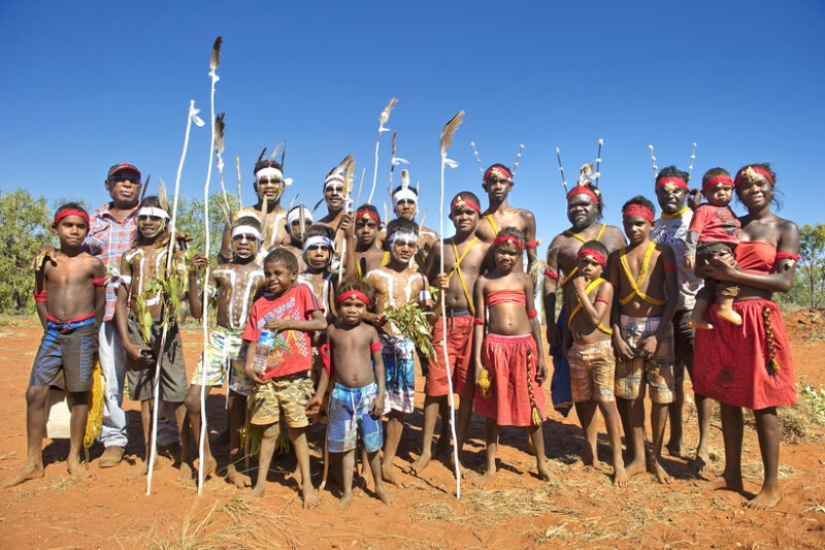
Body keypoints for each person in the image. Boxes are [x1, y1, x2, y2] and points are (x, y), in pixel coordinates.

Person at [694, 163, 799, 510]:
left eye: (760, 183)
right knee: (727, 396)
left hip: (759, 318)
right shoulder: (730, 225)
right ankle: (732, 474)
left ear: (772, 186)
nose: (753, 189)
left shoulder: (785, 228)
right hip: (723, 317)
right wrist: (710, 268)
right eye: (746, 185)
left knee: (764, 402)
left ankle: (771, 486)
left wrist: (735, 272)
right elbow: (704, 263)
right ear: (736, 193)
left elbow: (783, 283)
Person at [4, 204, 106, 488]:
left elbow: (100, 302)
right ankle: (33, 462)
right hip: (52, 333)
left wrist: (93, 334)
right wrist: (47, 327)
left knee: (79, 393)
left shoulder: (93, 263)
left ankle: (75, 457)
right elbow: (40, 295)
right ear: (55, 228)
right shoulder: (45, 262)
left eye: (80, 226)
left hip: (83, 333)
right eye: (68, 225)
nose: (74, 230)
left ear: (87, 230)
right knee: (35, 392)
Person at [406, 192, 489, 477]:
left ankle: (457, 449)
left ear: (478, 216)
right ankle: (426, 450)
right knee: (435, 387)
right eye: (458, 212)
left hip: (471, 322)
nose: (463, 217)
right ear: (452, 216)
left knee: (465, 389)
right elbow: (424, 282)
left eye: (469, 212)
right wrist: (434, 285)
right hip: (443, 320)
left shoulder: (485, 249)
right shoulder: (441, 247)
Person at [182, 216, 265, 486]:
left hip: (247, 342)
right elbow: (197, 312)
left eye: (250, 238)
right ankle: (205, 456)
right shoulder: (218, 271)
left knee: (237, 405)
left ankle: (234, 463)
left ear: (258, 242)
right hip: (219, 338)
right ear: (231, 240)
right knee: (193, 401)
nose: (243, 242)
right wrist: (194, 276)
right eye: (238, 237)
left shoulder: (263, 274)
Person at [242, 248, 327, 506]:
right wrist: (249, 366)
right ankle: (259, 485)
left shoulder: (301, 293)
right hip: (267, 378)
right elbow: (253, 342)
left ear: (293, 274)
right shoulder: (260, 305)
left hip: (295, 379)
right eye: (267, 274)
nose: (271, 278)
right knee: (268, 433)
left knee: (298, 433)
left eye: (277, 273)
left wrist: (288, 324)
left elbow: (320, 324)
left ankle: (307, 487)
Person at [115, 196, 189, 478]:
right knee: (146, 395)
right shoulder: (129, 257)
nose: (148, 222)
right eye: (143, 217)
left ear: (165, 222)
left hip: (167, 329)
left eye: (155, 218)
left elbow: (183, 295)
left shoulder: (173, 255)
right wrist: (125, 341)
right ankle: (150, 458)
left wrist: (177, 281)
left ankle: (185, 456)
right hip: (137, 328)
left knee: (178, 393)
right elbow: (122, 299)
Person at [473, 227, 551, 485]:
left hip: (524, 348)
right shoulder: (484, 282)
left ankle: (541, 462)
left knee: (533, 406)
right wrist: (477, 361)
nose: (506, 257)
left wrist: (540, 355)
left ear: (520, 255)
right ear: (494, 251)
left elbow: (533, 316)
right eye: (502, 252)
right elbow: (479, 323)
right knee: (492, 408)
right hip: (494, 348)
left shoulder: (524, 281)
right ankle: (490, 464)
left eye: (512, 253)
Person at [608, 196, 678, 484]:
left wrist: (657, 336)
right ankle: (637, 456)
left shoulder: (664, 253)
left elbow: (673, 297)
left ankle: (656, 457)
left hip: (658, 328)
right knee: (631, 394)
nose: (633, 228)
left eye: (639, 223)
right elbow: (612, 300)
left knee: (661, 397)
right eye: (628, 224)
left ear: (651, 223)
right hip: (626, 327)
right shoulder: (617, 257)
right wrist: (615, 334)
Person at [543, 177, 624, 420]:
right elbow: (549, 283)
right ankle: (590, 449)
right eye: (572, 206)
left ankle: (625, 446)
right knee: (579, 385)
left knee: (613, 385)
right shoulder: (559, 241)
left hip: (608, 315)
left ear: (597, 207)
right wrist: (550, 324)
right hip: (572, 318)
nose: (577, 209)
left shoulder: (614, 235)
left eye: (584, 205)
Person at [307, 280, 391, 508]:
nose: (353, 310)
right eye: (347, 305)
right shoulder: (333, 331)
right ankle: (347, 492)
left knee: (373, 445)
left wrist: (381, 395)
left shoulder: (370, 332)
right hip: (341, 396)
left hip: (368, 394)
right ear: (337, 307)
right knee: (346, 446)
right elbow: (327, 367)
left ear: (366, 309)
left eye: (358, 305)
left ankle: (379, 486)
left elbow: (379, 365)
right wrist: (319, 395)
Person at [650, 166, 711, 468]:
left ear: (687, 192)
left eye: (676, 190)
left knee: (701, 380)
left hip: (694, 310)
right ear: (656, 192)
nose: (670, 195)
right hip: (664, 314)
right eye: (664, 190)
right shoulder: (653, 227)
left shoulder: (697, 221)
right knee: (670, 379)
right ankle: (676, 437)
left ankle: (704, 444)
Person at [83, 163, 143, 468]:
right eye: (120, 180)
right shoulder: (93, 220)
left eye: (133, 180)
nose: (127, 184)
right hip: (106, 309)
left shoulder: (151, 216)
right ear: (109, 185)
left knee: (151, 374)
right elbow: (77, 253)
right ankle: (115, 439)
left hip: (145, 313)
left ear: (140, 187)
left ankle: (164, 435)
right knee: (111, 378)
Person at [365, 218, 431, 485]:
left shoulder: (420, 279)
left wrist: (442, 295)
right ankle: (367, 460)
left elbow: (429, 316)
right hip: (377, 346)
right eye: (400, 243)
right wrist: (373, 319)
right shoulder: (373, 276)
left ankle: (388, 463)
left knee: (400, 409)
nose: (405, 248)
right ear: (390, 244)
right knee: (372, 405)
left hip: (405, 347)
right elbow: (359, 310)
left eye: (410, 245)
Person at [561, 240, 627, 487]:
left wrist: (580, 291)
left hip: (601, 352)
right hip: (577, 352)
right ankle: (590, 455)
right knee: (584, 403)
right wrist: (567, 348)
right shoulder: (571, 289)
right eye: (583, 262)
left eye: (594, 263)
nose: (588, 266)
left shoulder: (605, 287)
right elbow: (570, 319)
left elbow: (597, 316)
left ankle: (618, 462)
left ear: (602, 267)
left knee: (606, 403)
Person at [686, 168, 743, 329]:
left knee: (710, 285)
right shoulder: (703, 209)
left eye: (726, 189)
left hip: (720, 248)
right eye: (715, 190)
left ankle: (696, 316)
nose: (721, 193)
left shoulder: (730, 211)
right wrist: (690, 252)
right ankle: (725, 307)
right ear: (705, 194)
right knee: (733, 273)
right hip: (711, 246)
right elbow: (694, 231)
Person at [220, 154, 289, 262]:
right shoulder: (238, 217)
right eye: (263, 182)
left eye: (275, 182)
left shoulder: (292, 221)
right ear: (255, 186)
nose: (269, 186)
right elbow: (224, 257)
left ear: (283, 186)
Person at [475, 164, 539, 273]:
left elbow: (532, 260)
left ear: (510, 186)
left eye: (502, 182)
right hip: (487, 286)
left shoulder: (524, 217)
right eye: (493, 182)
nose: (498, 186)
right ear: (485, 187)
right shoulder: (478, 221)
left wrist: (530, 286)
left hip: (517, 287)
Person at [376, 171, 439, 270]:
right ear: (394, 208)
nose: (406, 206)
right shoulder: (383, 234)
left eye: (410, 202)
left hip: (419, 284)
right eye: (401, 203)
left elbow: (439, 266)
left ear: (416, 206)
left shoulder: (428, 236)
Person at [352, 204, 387, 277]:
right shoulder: (347, 258)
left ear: (379, 229)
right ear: (354, 229)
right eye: (360, 226)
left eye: (371, 226)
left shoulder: (389, 259)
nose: (365, 230)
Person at [283, 204, 313, 271]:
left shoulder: (320, 253)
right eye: (297, 223)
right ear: (287, 229)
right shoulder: (278, 252)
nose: (303, 227)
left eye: (307, 223)